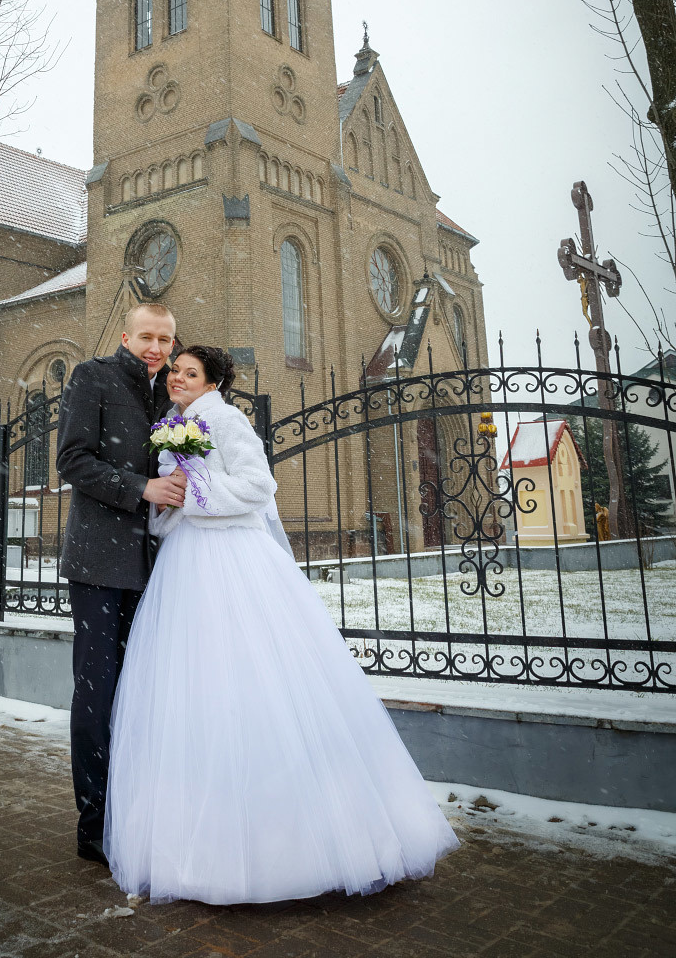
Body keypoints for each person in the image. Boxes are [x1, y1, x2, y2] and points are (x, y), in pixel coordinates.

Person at [104, 344, 459, 904]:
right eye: (175, 370)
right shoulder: (172, 425)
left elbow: (257, 487)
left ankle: (285, 845)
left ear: (214, 381)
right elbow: (172, 506)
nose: (177, 377)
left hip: (231, 564)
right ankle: (198, 842)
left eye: (190, 372)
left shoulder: (223, 419)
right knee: (197, 692)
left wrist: (194, 494)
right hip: (185, 564)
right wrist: (167, 504)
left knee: (251, 683)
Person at [56, 302, 184, 864]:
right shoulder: (93, 378)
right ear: (127, 335)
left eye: (166, 339)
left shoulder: (172, 396)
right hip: (99, 564)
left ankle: (135, 811)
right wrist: (140, 488)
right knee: (97, 691)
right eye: (147, 337)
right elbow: (73, 460)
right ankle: (95, 822)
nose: (156, 348)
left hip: (155, 566)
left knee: (142, 691)